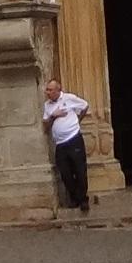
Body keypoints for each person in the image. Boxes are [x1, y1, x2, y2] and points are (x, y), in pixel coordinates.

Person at [42, 79, 91, 212]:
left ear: (58, 90)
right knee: (65, 173)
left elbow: (85, 106)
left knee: (80, 171)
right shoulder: (47, 106)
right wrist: (53, 116)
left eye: (50, 90)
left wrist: (77, 121)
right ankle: (74, 197)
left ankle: (82, 199)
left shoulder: (69, 98)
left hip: (73, 138)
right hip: (60, 144)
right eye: (47, 90)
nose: (47, 92)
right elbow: (45, 125)